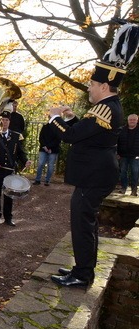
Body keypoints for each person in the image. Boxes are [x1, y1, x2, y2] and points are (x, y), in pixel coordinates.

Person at [50, 23, 138, 288]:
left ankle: (82, 275)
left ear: (103, 85)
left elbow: (71, 136)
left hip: (94, 176)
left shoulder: (105, 108)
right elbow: (88, 132)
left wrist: (54, 117)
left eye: (91, 84)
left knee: (82, 224)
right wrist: (71, 117)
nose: (88, 88)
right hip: (97, 175)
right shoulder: (106, 108)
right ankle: (82, 268)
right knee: (85, 223)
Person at [0, 113, 31, 227]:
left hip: (9, 170)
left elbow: (20, 152)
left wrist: (25, 161)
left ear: (9, 122)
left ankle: (8, 217)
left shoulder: (16, 136)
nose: (4, 122)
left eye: (6, 120)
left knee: (9, 194)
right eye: (2, 120)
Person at [33, 116, 62, 187]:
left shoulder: (58, 128)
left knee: (51, 166)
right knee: (40, 163)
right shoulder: (45, 127)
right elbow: (41, 137)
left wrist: (49, 147)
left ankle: (47, 180)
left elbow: (58, 140)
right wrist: (45, 147)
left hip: (53, 150)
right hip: (43, 148)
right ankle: (37, 180)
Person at [117, 113, 139, 196]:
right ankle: (123, 188)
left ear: (137, 120)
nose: (132, 121)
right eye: (130, 119)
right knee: (123, 172)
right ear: (128, 120)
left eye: (134, 119)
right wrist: (117, 153)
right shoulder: (121, 130)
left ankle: (134, 190)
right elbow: (117, 142)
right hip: (123, 155)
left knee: (135, 172)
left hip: (136, 156)